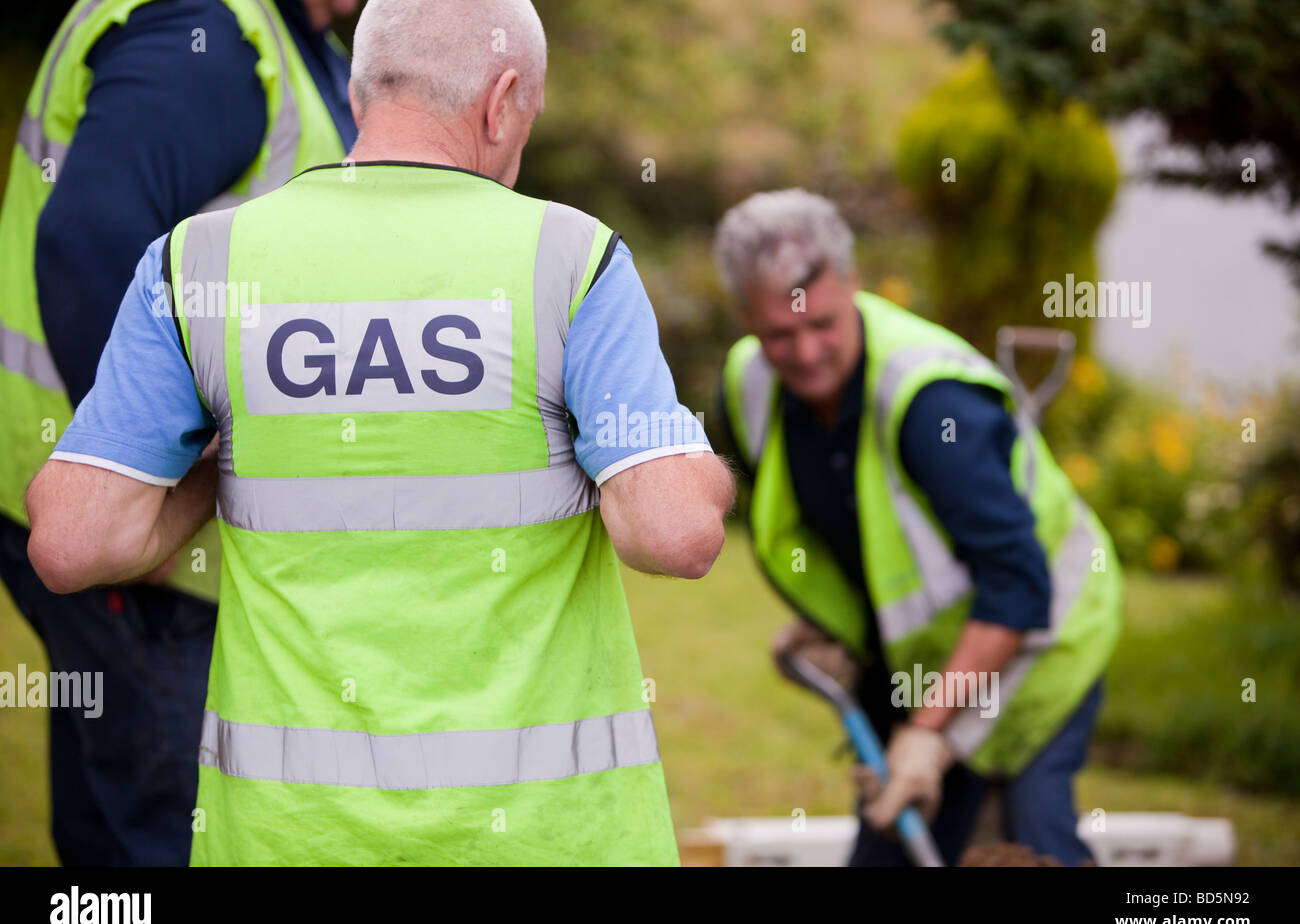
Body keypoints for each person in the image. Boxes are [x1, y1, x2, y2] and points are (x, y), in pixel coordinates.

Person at [26, 0, 734, 866]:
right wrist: (695, 465)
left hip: (284, 840)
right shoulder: (569, 260)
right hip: (547, 838)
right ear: (502, 98)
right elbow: (674, 534)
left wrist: (223, 465)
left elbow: (72, 541)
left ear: (360, 96)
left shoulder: (197, 263)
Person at [0, 0, 359, 865]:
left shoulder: (300, 43)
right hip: (133, 535)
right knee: (172, 828)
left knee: (114, 808)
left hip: (133, 529)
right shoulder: (207, 35)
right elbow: (88, 240)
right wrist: (141, 485)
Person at [712, 189, 1122, 866]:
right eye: (780, 335)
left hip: (1042, 644)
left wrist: (930, 733)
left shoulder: (934, 407)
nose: (807, 353)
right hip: (923, 667)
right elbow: (836, 526)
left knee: (1036, 845)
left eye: (823, 323)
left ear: (852, 283)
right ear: (744, 317)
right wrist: (834, 632)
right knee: (891, 850)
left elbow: (1018, 584)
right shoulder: (750, 385)